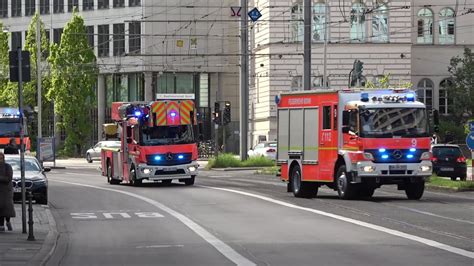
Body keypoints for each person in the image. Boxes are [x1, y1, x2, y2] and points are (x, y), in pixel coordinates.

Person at [0, 152, 15, 231]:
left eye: (1, 158)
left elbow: (8, 178)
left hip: (6, 191)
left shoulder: (7, 166)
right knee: (0, 209)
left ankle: (8, 222)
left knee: (7, 209)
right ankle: (1, 225)